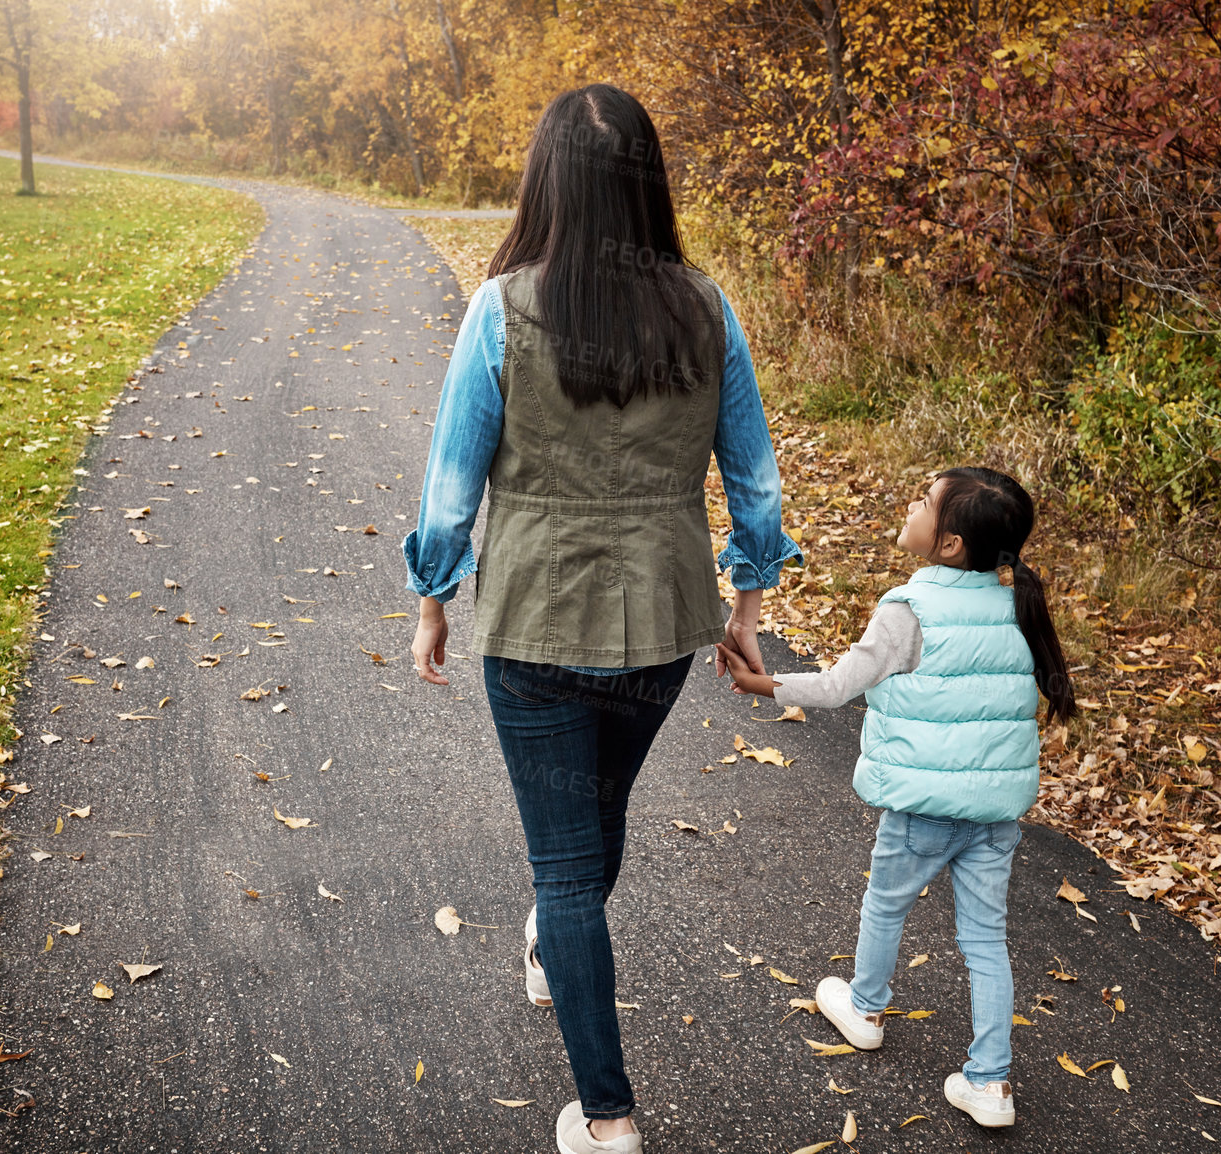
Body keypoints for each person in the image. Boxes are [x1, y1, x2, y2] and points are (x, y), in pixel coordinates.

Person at [404, 83, 803, 1154]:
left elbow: (451, 481)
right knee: (596, 818)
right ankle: (556, 942)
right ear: (648, 182)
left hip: (535, 618)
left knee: (568, 863)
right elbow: (755, 484)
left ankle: (610, 1113)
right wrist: (749, 605)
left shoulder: (501, 308)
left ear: (547, 182)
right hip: (661, 618)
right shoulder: (706, 308)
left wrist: (432, 600)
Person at [715, 466, 1076, 1129]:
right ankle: (991, 1083)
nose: (911, 504)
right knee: (986, 942)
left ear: (949, 545)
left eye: (924, 500)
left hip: (922, 808)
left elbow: (836, 686)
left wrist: (759, 684)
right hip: (994, 815)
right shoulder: (1020, 609)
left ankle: (866, 1008)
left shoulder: (909, 610)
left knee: (885, 905)